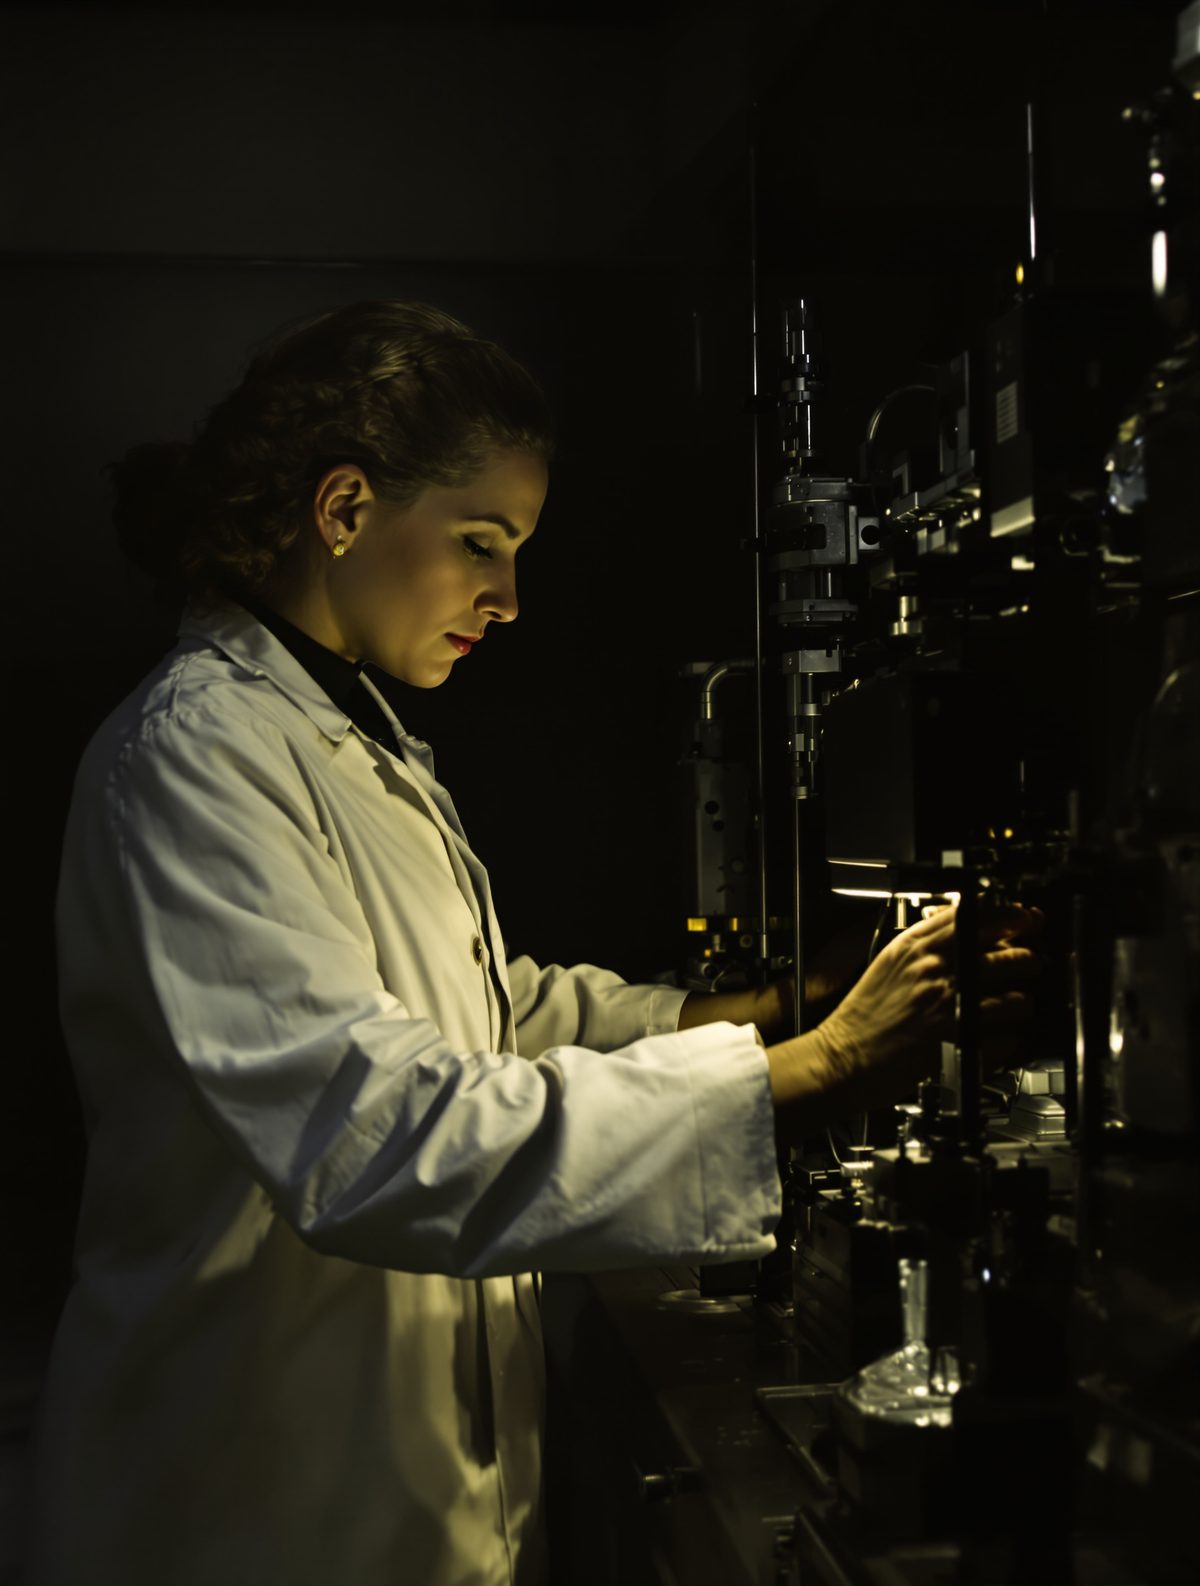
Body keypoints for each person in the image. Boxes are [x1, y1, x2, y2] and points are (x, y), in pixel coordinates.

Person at [27, 300, 1036, 1586]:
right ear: (344, 509)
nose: (507, 599)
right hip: (255, 1512)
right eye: (480, 544)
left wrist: (777, 1001)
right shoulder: (190, 758)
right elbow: (380, 1131)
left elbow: (489, 1019)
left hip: (404, 1501)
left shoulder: (355, 737)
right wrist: (813, 1066)